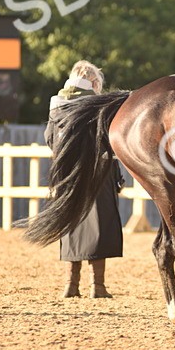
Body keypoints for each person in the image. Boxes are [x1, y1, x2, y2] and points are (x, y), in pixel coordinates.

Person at [45, 60, 123, 298]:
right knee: (100, 226)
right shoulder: (98, 103)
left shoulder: (56, 104)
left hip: (67, 173)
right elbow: (109, 140)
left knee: (71, 224)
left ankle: (71, 285)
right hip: (97, 171)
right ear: (94, 81)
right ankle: (97, 287)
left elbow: (50, 138)